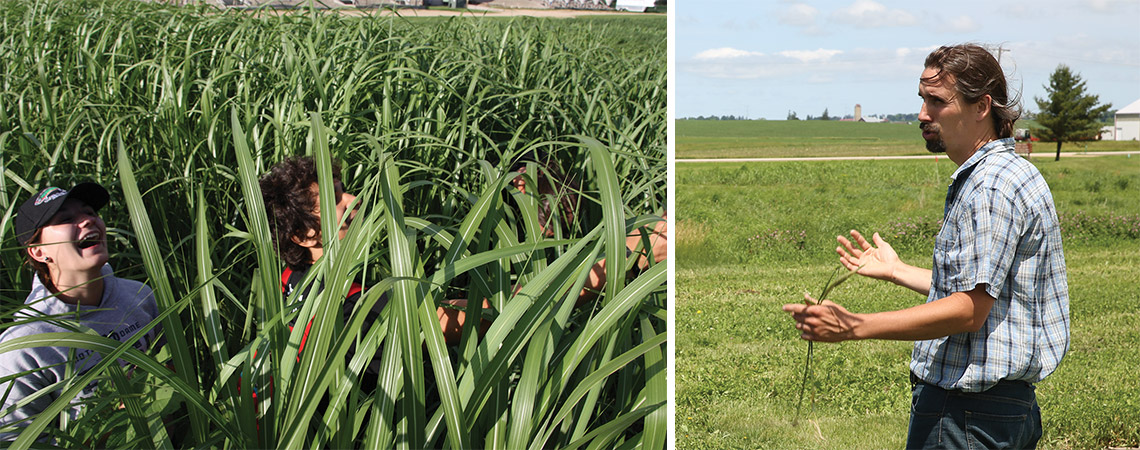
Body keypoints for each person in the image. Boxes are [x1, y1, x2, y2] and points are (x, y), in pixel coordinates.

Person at [782, 44, 1069, 449]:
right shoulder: (1013, 172)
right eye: (922, 99)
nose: (923, 114)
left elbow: (970, 309)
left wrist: (854, 326)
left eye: (937, 101)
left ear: (981, 106)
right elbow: (989, 290)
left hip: (967, 416)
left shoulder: (989, 187)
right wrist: (897, 270)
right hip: (1000, 413)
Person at [0, 183, 161, 440]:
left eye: (90, 212)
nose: (88, 220)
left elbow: (174, 365)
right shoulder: (24, 347)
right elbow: (16, 442)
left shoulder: (140, 296)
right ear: (38, 252)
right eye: (66, 219)